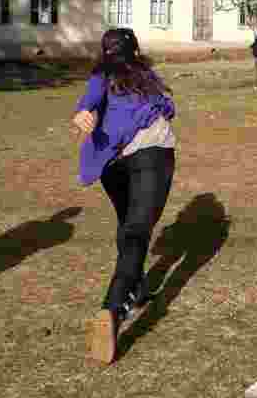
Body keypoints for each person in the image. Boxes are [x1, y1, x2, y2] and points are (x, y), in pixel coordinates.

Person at [70, 28, 177, 365]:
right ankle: (112, 309)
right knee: (136, 231)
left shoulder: (101, 73)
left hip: (111, 163)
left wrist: (84, 114)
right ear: (135, 51)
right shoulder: (146, 74)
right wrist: (83, 113)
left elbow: (89, 101)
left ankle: (139, 285)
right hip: (151, 154)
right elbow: (89, 104)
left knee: (128, 224)